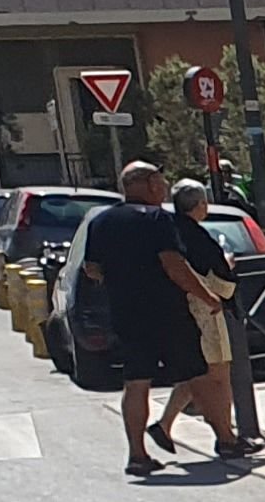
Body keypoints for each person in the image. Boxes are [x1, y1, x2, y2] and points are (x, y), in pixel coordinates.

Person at [73, 164, 212, 480]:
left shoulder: (102, 221)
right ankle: (226, 439)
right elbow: (174, 264)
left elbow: (92, 268)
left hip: (126, 312)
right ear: (150, 183)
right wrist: (207, 297)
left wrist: (120, 278)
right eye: (161, 180)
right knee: (199, 372)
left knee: (136, 382)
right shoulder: (158, 219)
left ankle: (137, 454)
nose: (164, 186)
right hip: (167, 310)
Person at [150, 178, 258, 464]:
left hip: (176, 310)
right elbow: (222, 282)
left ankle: (164, 425)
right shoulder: (198, 237)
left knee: (195, 374)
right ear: (199, 205)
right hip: (204, 310)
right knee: (218, 378)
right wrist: (228, 265)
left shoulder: (168, 232)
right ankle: (227, 439)